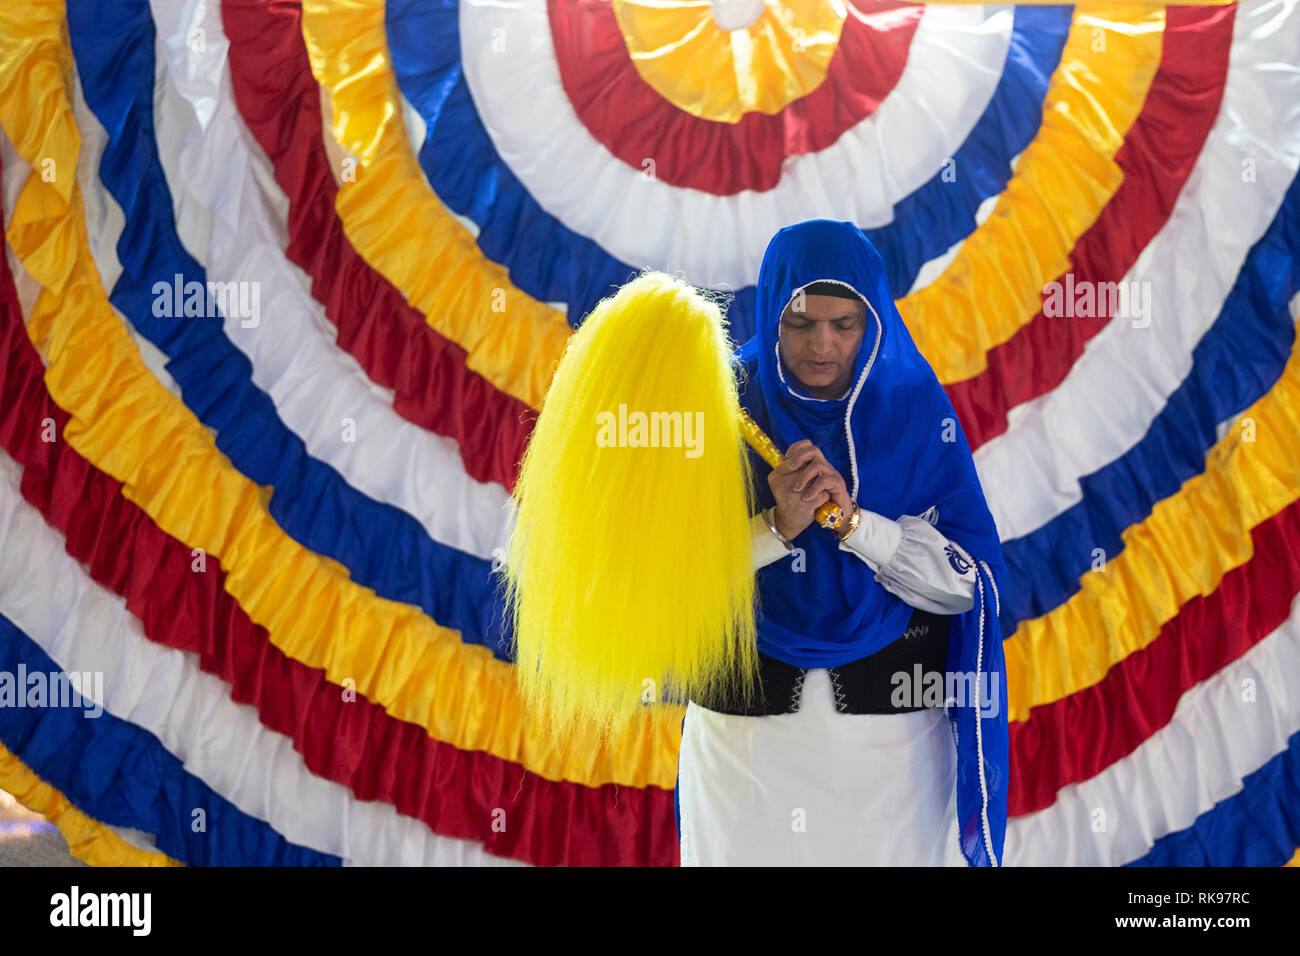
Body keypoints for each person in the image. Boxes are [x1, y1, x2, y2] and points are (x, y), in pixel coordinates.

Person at [673, 219, 1010, 866]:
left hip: (893, 753)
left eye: (844, 324)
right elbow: (673, 579)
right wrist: (778, 525)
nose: (821, 344)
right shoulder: (718, 404)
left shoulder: (914, 407)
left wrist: (860, 529)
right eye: (800, 322)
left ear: (873, 319)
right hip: (743, 744)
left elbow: (970, 585)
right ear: (772, 310)